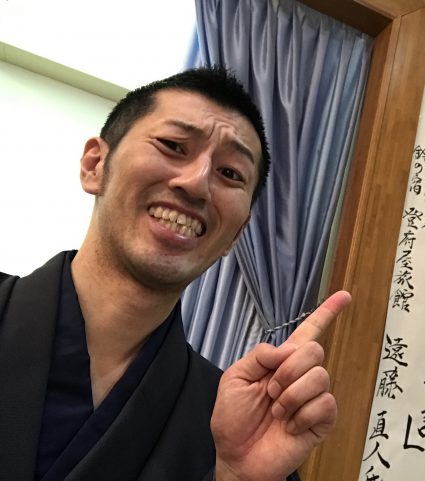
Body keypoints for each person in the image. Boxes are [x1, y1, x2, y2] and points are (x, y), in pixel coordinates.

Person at [0, 67, 351, 481]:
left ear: (236, 234)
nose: (197, 184)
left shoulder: (235, 431)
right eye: (172, 146)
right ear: (95, 164)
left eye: (230, 173)